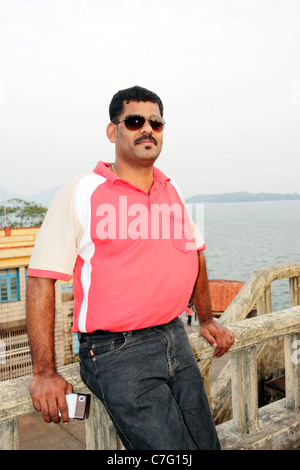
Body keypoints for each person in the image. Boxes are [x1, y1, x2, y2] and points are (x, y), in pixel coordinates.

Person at [26, 85, 235, 450]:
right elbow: (42, 277)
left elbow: (196, 253)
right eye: (135, 120)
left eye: (156, 122)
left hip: (174, 338)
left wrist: (204, 319)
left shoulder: (172, 188)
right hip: (116, 351)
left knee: (207, 445)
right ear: (113, 131)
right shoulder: (82, 191)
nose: (147, 129)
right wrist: (44, 372)